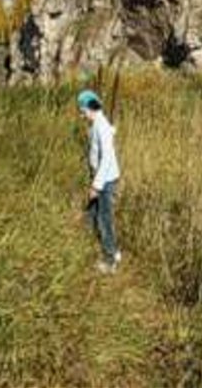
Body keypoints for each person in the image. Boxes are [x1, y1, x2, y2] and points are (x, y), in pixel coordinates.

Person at [77, 89, 122, 273]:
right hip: (101, 178)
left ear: (91, 107)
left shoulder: (101, 126)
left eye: (82, 111)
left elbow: (107, 159)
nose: (81, 115)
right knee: (91, 214)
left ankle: (110, 260)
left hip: (105, 181)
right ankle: (100, 248)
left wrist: (96, 185)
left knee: (104, 219)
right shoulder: (99, 124)